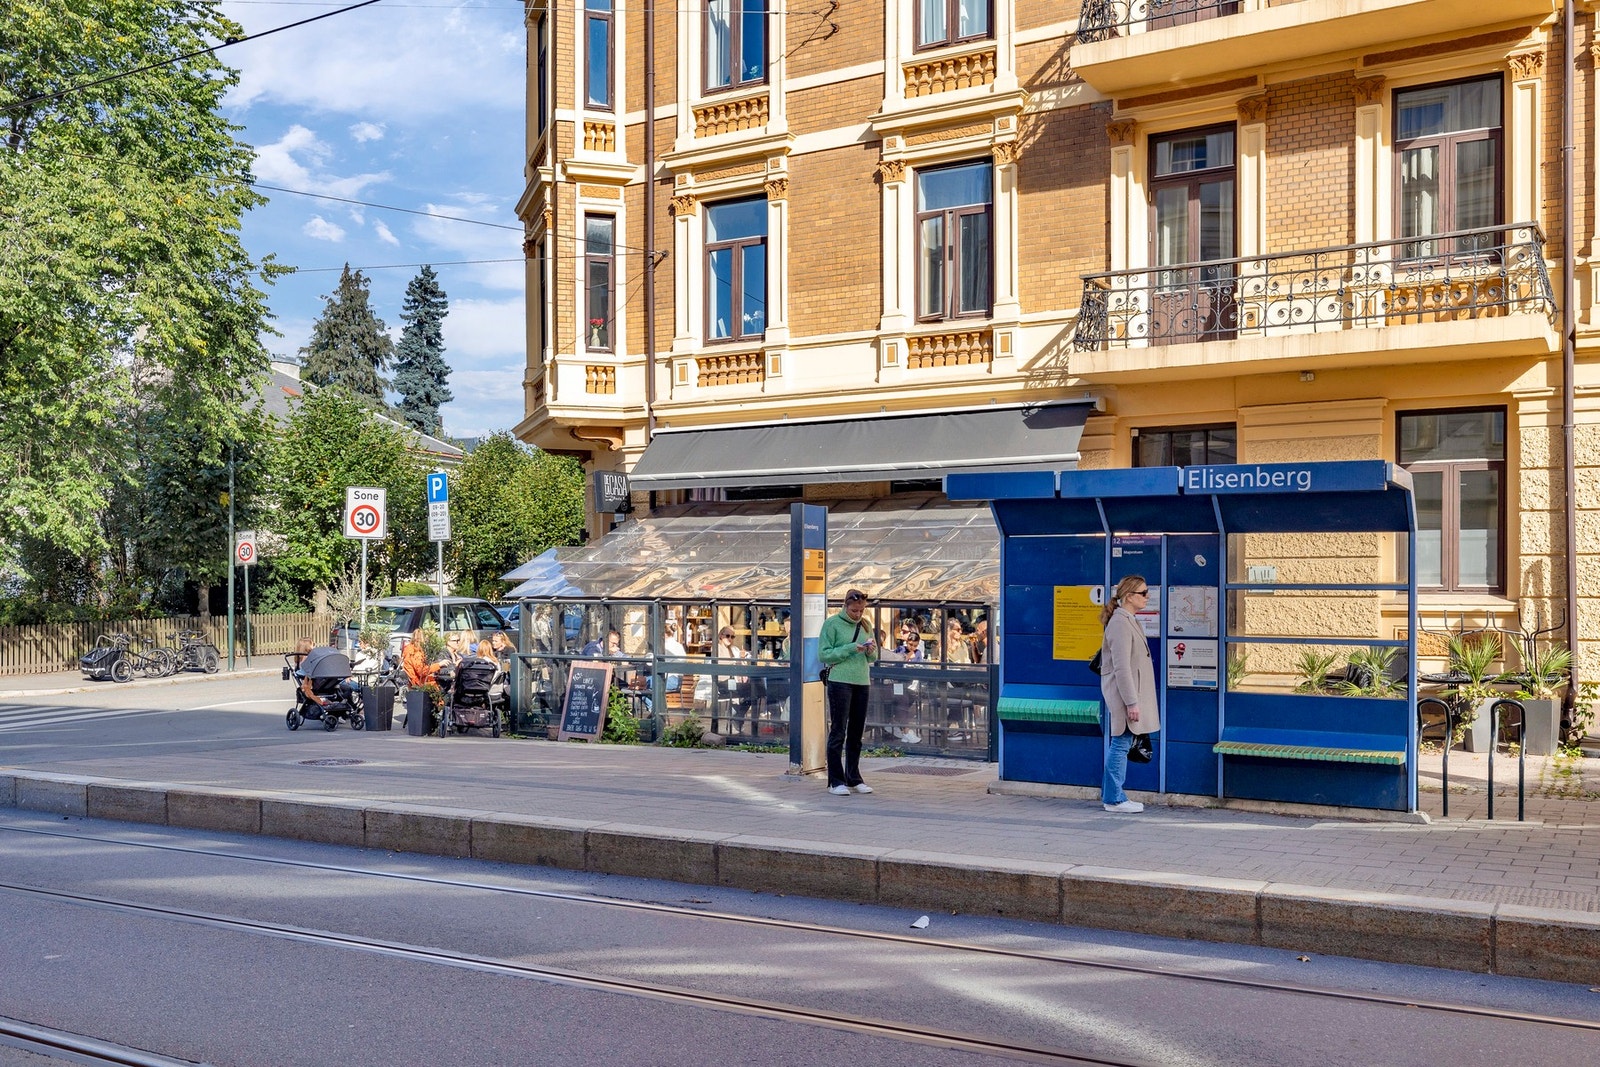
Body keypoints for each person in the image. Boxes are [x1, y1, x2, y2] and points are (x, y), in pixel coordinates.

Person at [1100, 575, 1160, 814]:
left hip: (1129, 694)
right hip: (1124, 695)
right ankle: (1114, 799)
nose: (1147, 596)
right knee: (1121, 743)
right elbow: (1122, 667)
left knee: (1122, 742)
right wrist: (1132, 702)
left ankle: (1113, 796)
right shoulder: (1120, 623)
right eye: (1143, 593)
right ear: (1129, 596)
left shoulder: (1128, 620)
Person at [820, 589, 878, 795]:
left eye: (861, 610)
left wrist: (870, 651)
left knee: (856, 732)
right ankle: (836, 781)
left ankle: (854, 777)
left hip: (862, 681)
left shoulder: (866, 624)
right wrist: (851, 648)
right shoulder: (832, 624)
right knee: (838, 731)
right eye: (854, 610)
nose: (858, 614)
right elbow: (824, 654)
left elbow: (873, 658)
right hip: (840, 681)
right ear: (845, 606)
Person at [716, 626, 752, 735]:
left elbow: (739, 664)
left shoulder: (733, 649)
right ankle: (736, 715)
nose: (730, 639)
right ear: (721, 636)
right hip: (723, 682)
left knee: (753, 690)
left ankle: (736, 714)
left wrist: (742, 658)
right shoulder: (717, 648)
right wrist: (737, 660)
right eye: (727, 636)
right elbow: (722, 663)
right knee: (750, 690)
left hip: (733, 681)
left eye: (732, 637)